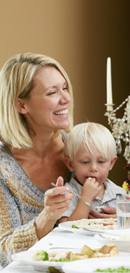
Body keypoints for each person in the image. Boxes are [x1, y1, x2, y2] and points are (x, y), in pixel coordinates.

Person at [0, 53, 75, 266]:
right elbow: (3, 253)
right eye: (52, 92)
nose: (66, 98)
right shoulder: (3, 167)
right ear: (22, 105)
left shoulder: (80, 152)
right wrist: (47, 217)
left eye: (65, 88)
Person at [59, 122, 127, 223]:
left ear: (111, 163)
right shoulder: (67, 194)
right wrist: (86, 198)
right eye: (85, 162)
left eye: (101, 162)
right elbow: (65, 228)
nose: (94, 168)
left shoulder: (119, 194)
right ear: (70, 164)